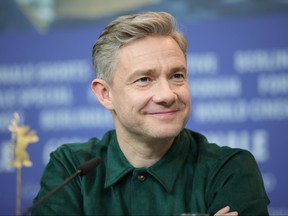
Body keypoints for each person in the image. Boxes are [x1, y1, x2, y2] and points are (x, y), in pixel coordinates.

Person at [31, 11, 270, 215]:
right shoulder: (71, 168)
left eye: (177, 76)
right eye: (144, 79)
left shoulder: (230, 169)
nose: (167, 95)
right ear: (105, 94)